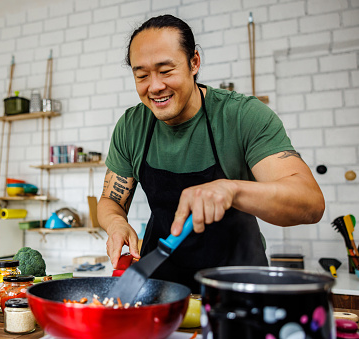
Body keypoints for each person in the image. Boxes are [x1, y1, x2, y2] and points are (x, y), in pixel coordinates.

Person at [97, 14, 324, 291]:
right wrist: (116, 223)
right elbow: (110, 199)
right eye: (141, 75)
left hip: (238, 288)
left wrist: (232, 191)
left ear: (194, 62)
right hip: (160, 289)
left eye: (166, 71)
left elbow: (310, 203)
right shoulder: (132, 126)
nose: (154, 86)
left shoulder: (242, 115)